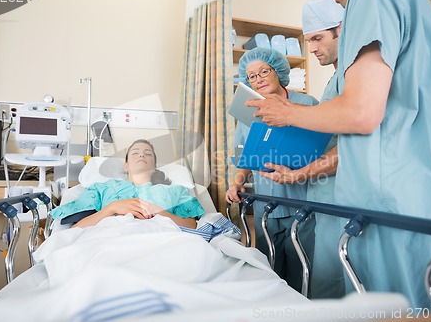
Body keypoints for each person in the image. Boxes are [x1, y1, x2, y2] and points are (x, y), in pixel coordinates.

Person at [246, 0, 431, 308]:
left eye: (318, 38)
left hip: (387, 197)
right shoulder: (407, 8)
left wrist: (288, 114)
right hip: (408, 193)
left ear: (343, 30)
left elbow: (361, 115)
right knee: (408, 300)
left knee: (387, 304)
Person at [262, 0, 345, 299]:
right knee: (325, 282)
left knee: (334, 285)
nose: (310, 48)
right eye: (308, 40)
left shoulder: (354, 77)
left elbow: (349, 148)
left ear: (341, 29)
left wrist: (299, 174)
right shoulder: (336, 81)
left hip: (343, 199)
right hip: (327, 199)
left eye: (317, 38)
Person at [225, 47, 318, 292]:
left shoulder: (307, 103)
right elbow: (243, 154)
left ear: (278, 71)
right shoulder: (248, 109)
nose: (259, 79)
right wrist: (236, 182)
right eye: (252, 76)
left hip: (303, 201)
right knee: (270, 269)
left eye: (264, 71)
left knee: (302, 270)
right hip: (266, 204)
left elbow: (322, 149)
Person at [50, 139, 205, 229]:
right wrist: (112, 208)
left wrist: (161, 212)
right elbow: (76, 229)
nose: (142, 154)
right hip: (109, 242)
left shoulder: (174, 191)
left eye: (148, 153)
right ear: (126, 165)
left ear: (155, 165)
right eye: (135, 153)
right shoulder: (104, 188)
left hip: (160, 243)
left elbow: (192, 226)